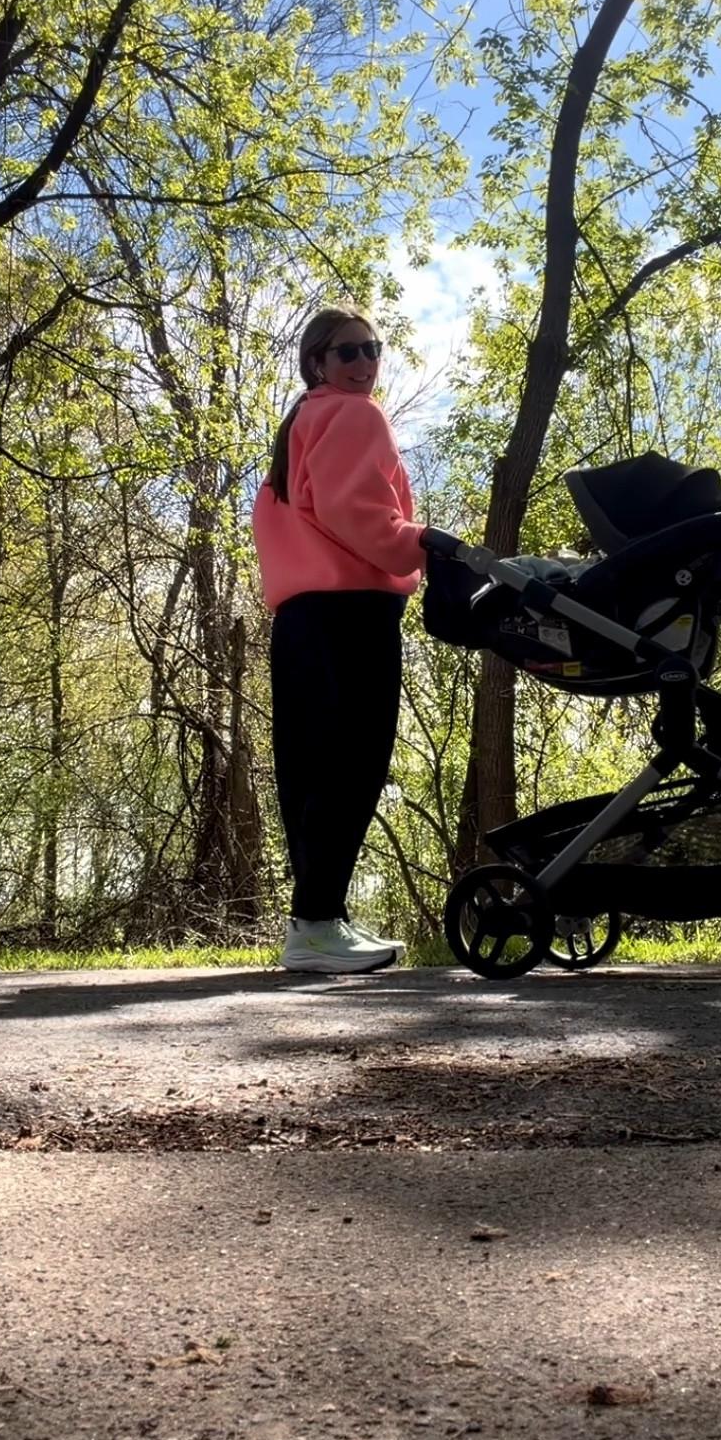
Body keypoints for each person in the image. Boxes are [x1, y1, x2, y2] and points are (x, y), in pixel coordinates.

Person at [252, 307, 427, 973]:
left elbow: (294, 521)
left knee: (309, 768)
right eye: (347, 351)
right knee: (353, 763)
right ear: (317, 362)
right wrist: (422, 544)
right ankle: (319, 922)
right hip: (352, 613)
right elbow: (355, 511)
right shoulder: (357, 415)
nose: (364, 363)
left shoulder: (297, 429)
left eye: (372, 349)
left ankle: (315, 920)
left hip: (299, 620)